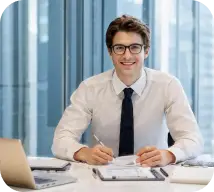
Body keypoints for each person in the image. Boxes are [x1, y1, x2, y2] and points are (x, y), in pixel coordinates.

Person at [52, 14, 203, 167]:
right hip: (101, 178)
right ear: (110, 52)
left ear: (146, 51)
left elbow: (192, 139)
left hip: (154, 176)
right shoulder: (90, 88)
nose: (127, 55)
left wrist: (169, 155)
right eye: (119, 48)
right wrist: (84, 152)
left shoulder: (168, 85)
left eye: (135, 47)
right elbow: (61, 139)